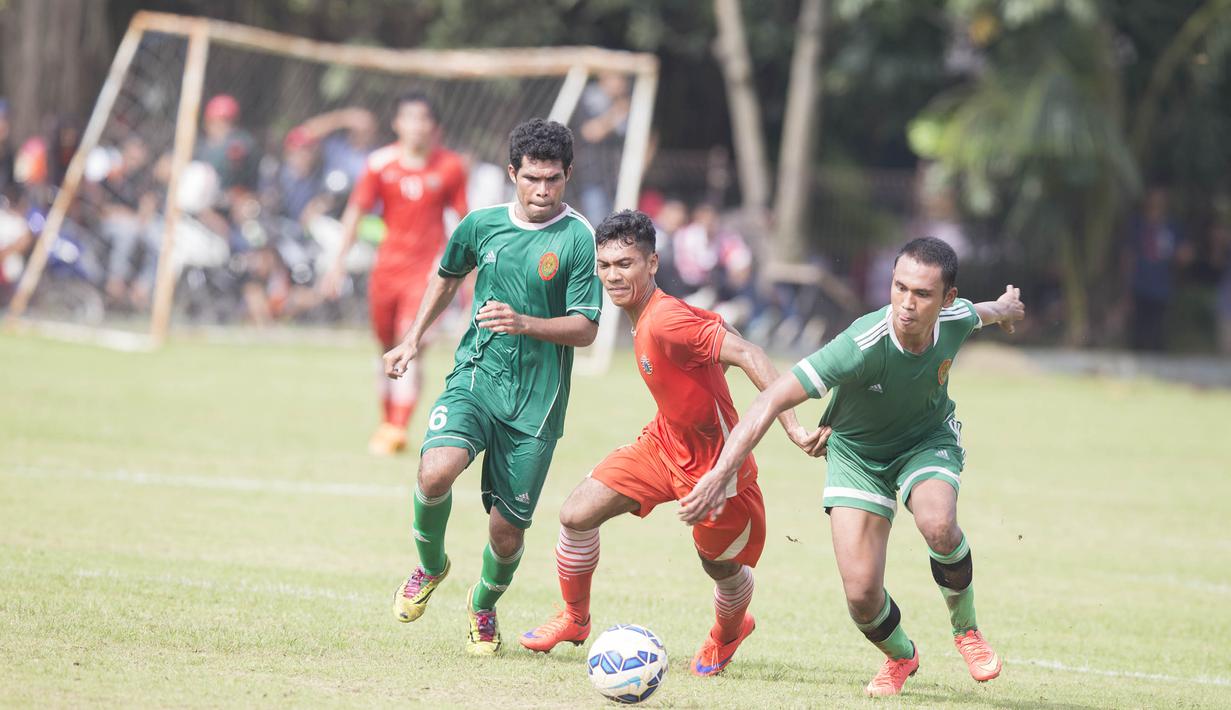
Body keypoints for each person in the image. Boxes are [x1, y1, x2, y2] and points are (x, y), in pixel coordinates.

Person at [679, 237, 1025, 697]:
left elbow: (986, 312)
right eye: (899, 287)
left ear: (946, 300)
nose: (906, 303)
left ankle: (967, 631)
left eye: (922, 294)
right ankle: (902, 655)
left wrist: (1007, 307)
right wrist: (721, 474)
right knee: (862, 597)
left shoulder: (955, 320)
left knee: (938, 524)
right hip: (857, 457)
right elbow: (771, 397)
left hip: (927, 441)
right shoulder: (861, 344)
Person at [518, 209, 824, 676]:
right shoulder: (650, 314)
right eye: (605, 265)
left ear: (653, 263)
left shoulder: (665, 320)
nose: (613, 275)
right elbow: (724, 329)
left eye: (626, 264)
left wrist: (793, 427)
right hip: (662, 445)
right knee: (576, 514)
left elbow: (749, 352)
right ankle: (576, 619)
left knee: (718, 566)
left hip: (718, 472)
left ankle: (729, 632)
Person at [382, 118, 601, 655]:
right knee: (434, 473)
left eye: (553, 179)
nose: (542, 190)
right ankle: (431, 567)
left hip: (537, 406)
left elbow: (588, 328)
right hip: (477, 378)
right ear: (512, 174)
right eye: (532, 178)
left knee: (507, 534)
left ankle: (482, 604)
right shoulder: (481, 226)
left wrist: (525, 322)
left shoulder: (578, 239)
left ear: (567, 175)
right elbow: (447, 273)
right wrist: (412, 339)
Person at [318, 93, 468, 455]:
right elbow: (356, 211)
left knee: (408, 342)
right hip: (386, 270)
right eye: (409, 118)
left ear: (435, 128)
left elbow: (465, 223)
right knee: (385, 347)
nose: (416, 126)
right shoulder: (379, 164)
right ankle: (388, 423)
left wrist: (469, 277)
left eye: (423, 119)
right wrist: (336, 264)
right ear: (397, 124)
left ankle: (397, 427)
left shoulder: (450, 167)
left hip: (428, 271)